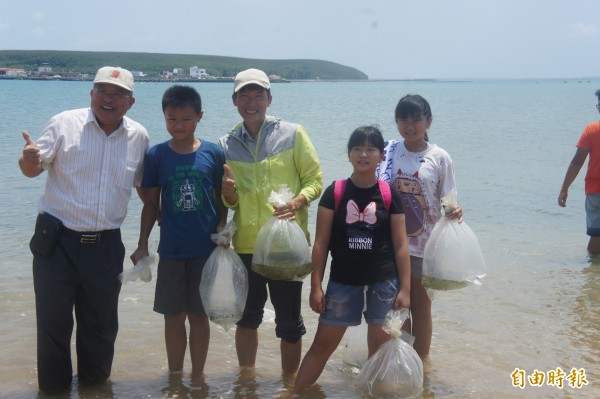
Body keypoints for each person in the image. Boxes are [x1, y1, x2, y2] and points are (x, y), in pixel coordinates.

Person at [18, 66, 149, 393]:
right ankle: (53, 391)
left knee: (101, 328)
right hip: (55, 241)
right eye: (102, 91)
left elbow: (147, 191)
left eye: (118, 94)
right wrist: (29, 160)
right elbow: (32, 169)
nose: (109, 99)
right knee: (53, 327)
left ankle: (95, 389)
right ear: (91, 94)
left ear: (130, 103)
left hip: (106, 246)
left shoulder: (139, 137)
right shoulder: (65, 123)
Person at [218, 68, 322, 374]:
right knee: (247, 317)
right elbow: (230, 202)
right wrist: (228, 194)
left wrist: (298, 201)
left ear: (269, 99)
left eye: (258, 95)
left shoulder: (293, 134)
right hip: (247, 245)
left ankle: (289, 384)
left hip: (285, 245)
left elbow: (314, 180)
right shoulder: (226, 144)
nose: (252, 101)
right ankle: (247, 381)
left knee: (289, 323)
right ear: (234, 100)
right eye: (245, 95)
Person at [293, 125, 411, 392]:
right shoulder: (335, 192)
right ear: (348, 154)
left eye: (371, 149)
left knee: (379, 352)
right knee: (322, 345)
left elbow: (401, 244)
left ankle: (373, 394)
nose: (364, 154)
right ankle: (295, 394)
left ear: (381, 156)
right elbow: (321, 243)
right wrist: (316, 286)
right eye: (357, 148)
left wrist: (405, 289)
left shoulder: (389, 194)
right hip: (343, 284)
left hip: (383, 284)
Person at [130, 85, 227, 377]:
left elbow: (222, 197)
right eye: (171, 119)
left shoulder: (214, 153)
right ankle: (175, 378)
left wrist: (223, 227)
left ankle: (198, 377)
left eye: (185, 119)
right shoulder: (157, 155)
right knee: (173, 318)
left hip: (205, 250)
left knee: (199, 317)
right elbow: (150, 203)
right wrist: (142, 243)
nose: (178, 125)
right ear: (164, 117)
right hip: (171, 251)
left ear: (199, 116)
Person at [375, 94, 462, 358]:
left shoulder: (439, 157)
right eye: (403, 120)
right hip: (389, 243)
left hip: (424, 246)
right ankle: (402, 359)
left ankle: (420, 363)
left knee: (421, 308)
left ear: (429, 122)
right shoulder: (388, 152)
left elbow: (448, 200)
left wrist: (455, 211)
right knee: (397, 306)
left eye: (416, 119)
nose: (409, 125)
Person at [558, 89, 600, 253]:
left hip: (595, 191)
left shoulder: (591, 130)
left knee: (596, 235)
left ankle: (592, 274)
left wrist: (564, 188)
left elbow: (577, 162)